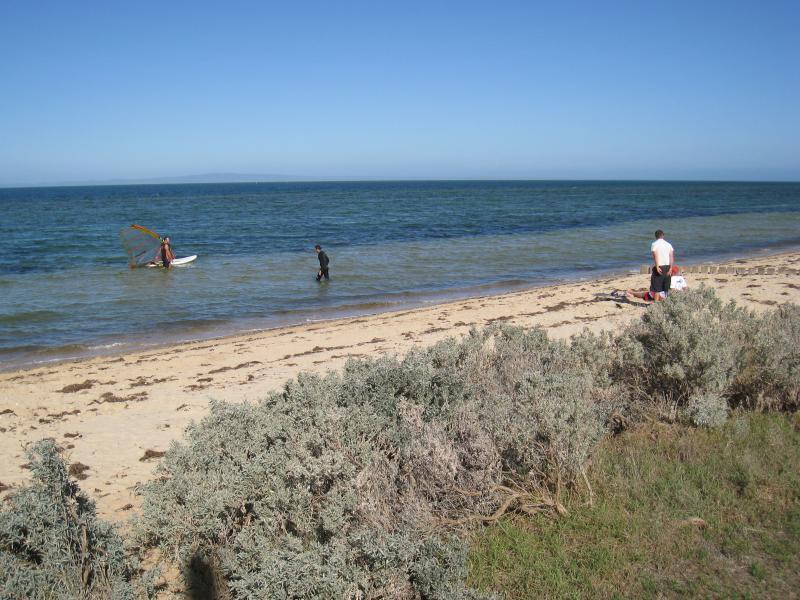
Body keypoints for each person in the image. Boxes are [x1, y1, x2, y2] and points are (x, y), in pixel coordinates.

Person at [650, 229, 674, 297]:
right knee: (666, 287)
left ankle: (656, 302)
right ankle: (666, 301)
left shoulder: (654, 244)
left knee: (657, 288)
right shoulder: (668, 244)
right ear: (663, 236)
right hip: (668, 266)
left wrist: (657, 266)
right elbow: (671, 257)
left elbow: (655, 256)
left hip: (660, 266)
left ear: (655, 236)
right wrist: (671, 268)